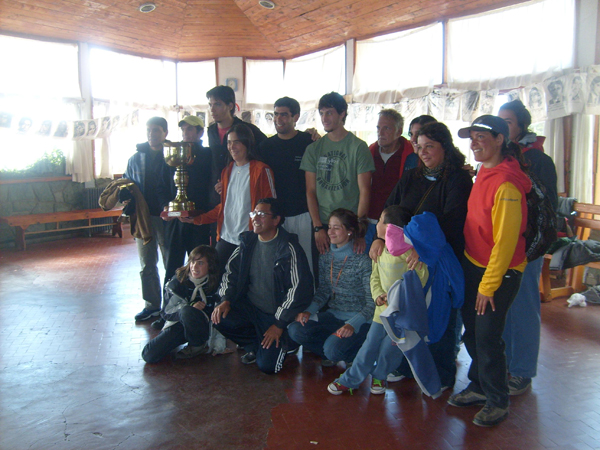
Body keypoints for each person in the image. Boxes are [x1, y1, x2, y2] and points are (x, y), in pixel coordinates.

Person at [371, 122, 472, 389]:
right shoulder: (411, 177)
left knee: (438, 317)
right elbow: (389, 210)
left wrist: (421, 246)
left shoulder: (458, 180)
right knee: (409, 314)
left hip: (438, 258)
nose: (423, 152)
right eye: (419, 146)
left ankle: (441, 373)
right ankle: (406, 366)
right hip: (405, 259)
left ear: (445, 148)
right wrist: (380, 237)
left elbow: (452, 221)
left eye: (430, 146)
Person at [448, 115, 531, 427]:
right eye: (472, 137)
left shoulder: (507, 184)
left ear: (500, 139)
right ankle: (480, 386)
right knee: (473, 330)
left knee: (487, 337)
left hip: (500, 272)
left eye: (482, 137)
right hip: (474, 263)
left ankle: (498, 401)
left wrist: (488, 286)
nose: (475, 143)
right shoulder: (485, 171)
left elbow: (506, 244)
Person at [327, 206, 428, 395]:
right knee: (369, 346)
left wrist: (395, 297)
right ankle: (349, 380)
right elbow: (374, 278)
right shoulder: (379, 250)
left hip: (402, 315)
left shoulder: (411, 254)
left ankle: (380, 376)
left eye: (380, 220)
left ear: (391, 227)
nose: (377, 223)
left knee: (391, 348)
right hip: (380, 312)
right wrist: (378, 296)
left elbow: (418, 283)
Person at [211, 198, 313, 374]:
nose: (255, 218)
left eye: (262, 214)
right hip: (251, 310)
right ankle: (256, 345)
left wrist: (279, 324)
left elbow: (298, 289)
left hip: (276, 316)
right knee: (219, 315)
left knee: (268, 367)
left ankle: (285, 342)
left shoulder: (289, 248)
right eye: (254, 213)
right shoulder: (247, 243)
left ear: (276, 220)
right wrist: (225, 299)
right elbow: (230, 274)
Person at [498, 100, 558, 396]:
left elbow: (545, 210)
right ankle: (506, 363)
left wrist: (530, 247)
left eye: (508, 121)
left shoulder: (538, 160)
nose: (503, 126)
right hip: (501, 247)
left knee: (523, 307)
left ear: (522, 125)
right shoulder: (500, 157)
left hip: (526, 247)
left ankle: (522, 371)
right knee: (504, 307)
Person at [288, 209, 373, 366]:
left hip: (359, 320)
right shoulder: (326, 256)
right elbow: (323, 291)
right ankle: (336, 349)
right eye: (329, 227)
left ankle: (352, 353)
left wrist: (353, 324)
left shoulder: (363, 261)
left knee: (332, 350)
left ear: (349, 231)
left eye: (336, 228)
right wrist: (309, 311)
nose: (330, 232)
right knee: (295, 329)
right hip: (334, 316)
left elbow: (372, 303)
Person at [153, 115, 213, 330]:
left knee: (200, 265)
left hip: (198, 222)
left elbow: (211, 188)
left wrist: (201, 214)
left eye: (191, 129)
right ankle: (167, 312)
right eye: (184, 129)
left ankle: (201, 311)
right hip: (175, 223)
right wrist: (167, 209)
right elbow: (161, 187)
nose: (187, 133)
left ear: (200, 133)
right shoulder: (171, 154)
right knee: (172, 267)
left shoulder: (207, 155)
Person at [193, 123, 276, 273]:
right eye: (229, 142)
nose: (232, 146)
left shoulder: (261, 170)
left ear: (247, 143)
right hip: (226, 237)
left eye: (236, 142)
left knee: (243, 285)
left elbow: (271, 207)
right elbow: (225, 207)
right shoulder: (227, 171)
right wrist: (198, 219)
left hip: (249, 239)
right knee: (216, 279)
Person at [300, 92, 374, 255]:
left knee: (350, 276)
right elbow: (310, 191)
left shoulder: (358, 147)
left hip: (350, 224)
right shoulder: (313, 149)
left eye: (329, 113)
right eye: (321, 113)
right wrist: (317, 227)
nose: (324, 118)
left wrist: (360, 231)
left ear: (342, 114)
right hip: (324, 224)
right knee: (324, 276)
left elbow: (365, 190)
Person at [258, 97, 316, 275]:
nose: (278, 119)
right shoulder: (265, 147)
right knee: (279, 263)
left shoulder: (308, 142)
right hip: (276, 216)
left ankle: (307, 299)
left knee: (305, 261)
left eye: (284, 115)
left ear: (295, 117)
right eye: (275, 114)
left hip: (303, 213)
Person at [123, 117, 172, 322]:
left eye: (156, 130)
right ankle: (151, 305)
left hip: (167, 217)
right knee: (147, 262)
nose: (152, 133)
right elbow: (127, 182)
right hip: (143, 219)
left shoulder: (172, 155)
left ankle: (171, 303)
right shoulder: (136, 158)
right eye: (149, 130)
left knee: (171, 262)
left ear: (165, 133)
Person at [142, 245, 221, 362]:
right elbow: (166, 312)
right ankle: (180, 340)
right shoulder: (178, 281)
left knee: (189, 312)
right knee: (149, 354)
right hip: (179, 324)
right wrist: (190, 307)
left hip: (204, 327)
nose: (194, 267)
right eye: (192, 262)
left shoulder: (217, 283)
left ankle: (197, 346)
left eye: (200, 263)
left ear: (210, 265)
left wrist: (219, 343)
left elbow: (220, 314)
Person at [205, 85, 267, 209]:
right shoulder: (211, 130)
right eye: (210, 105)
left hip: (242, 192)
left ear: (230, 106)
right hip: (218, 192)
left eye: (217, 104)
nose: (212, 109)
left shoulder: (247, 129)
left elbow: (265, 152)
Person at [365, 109, 417, 250]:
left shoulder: (411, 156)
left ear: (399, 131)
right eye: (378, 128)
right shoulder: (368, 153)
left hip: (396, 226)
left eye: (386, 128)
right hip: (368, 223)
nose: (380, 133)